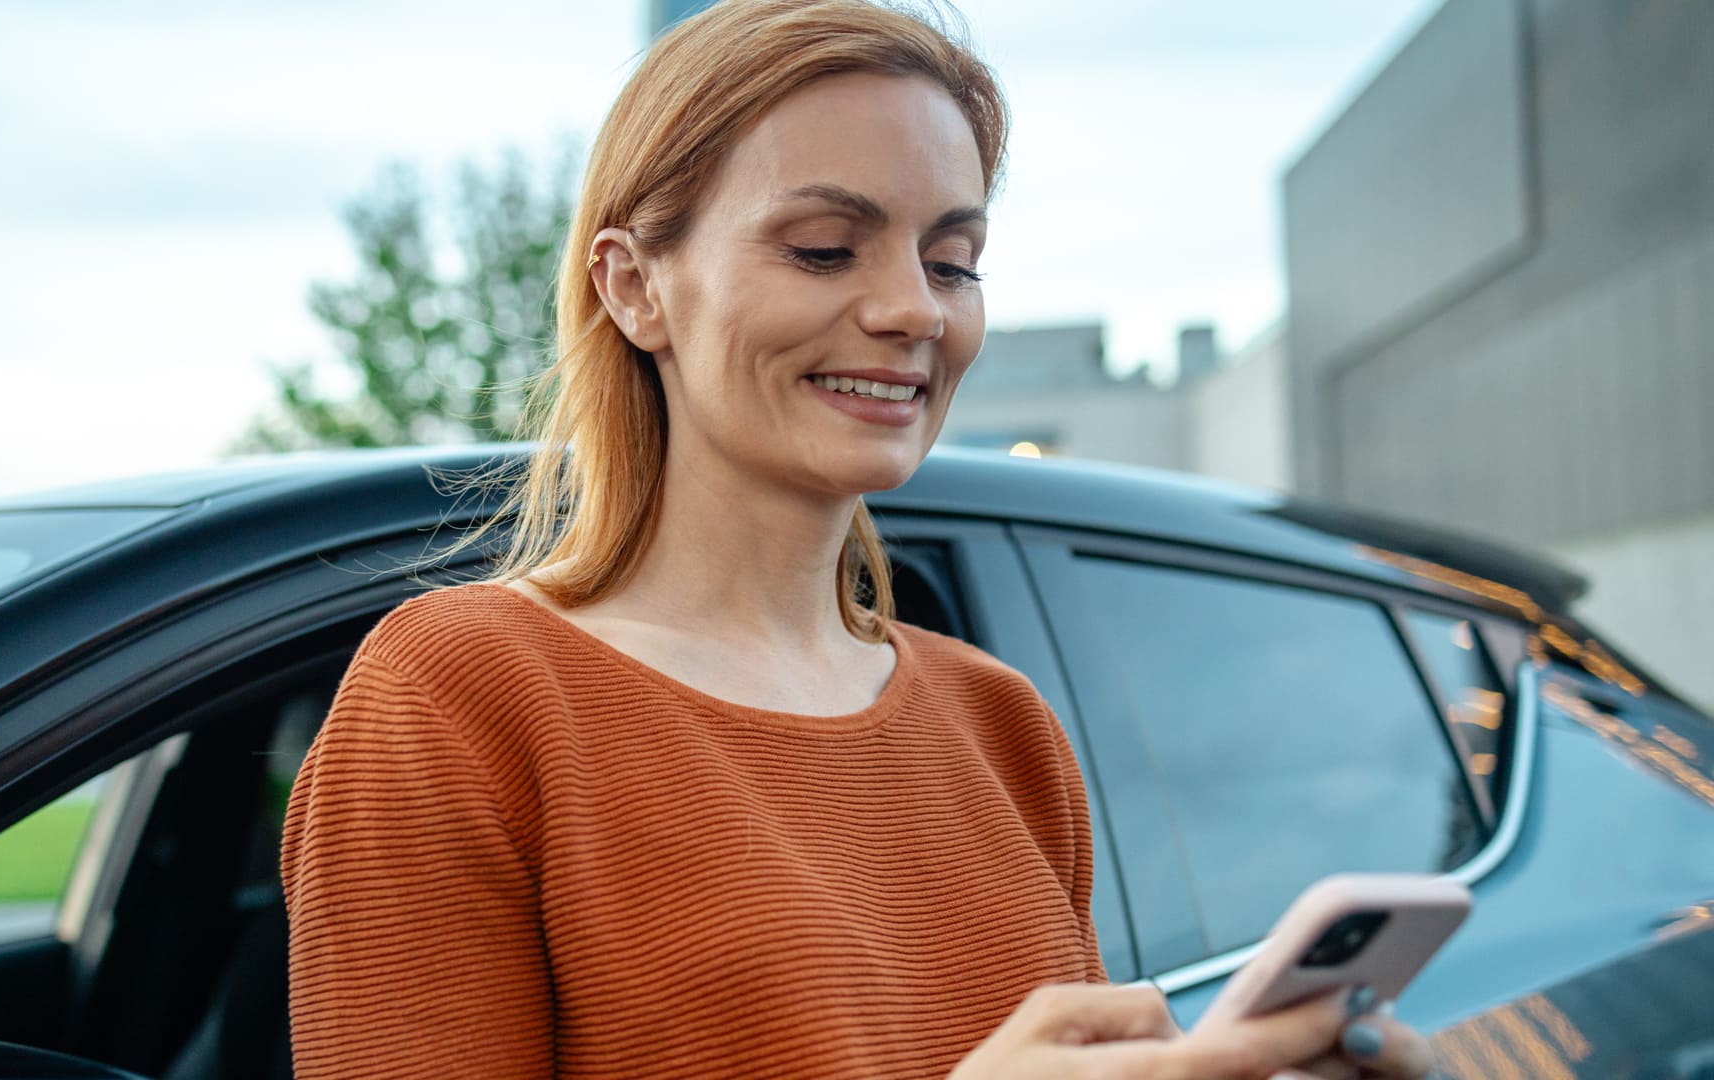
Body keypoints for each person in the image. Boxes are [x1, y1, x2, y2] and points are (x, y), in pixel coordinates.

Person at [280, 1, 1434, 1077]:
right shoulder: (457, 696)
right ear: (635, 288)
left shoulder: (1002, 723)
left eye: (952, 262)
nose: (915, 310)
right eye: (826, 249)